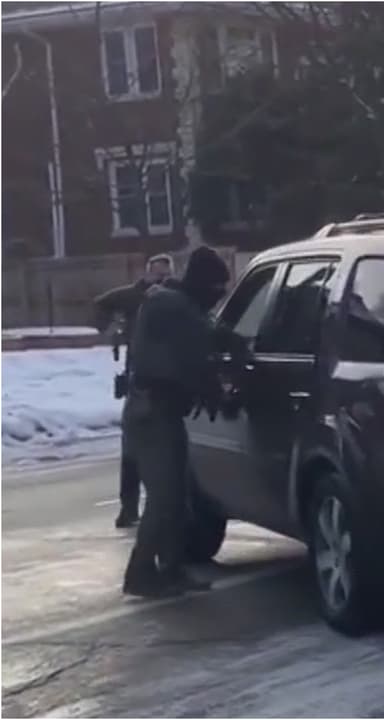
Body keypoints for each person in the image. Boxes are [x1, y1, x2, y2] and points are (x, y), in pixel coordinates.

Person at [122, 247, 229, 598]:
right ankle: (140, 573)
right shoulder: (172, 306)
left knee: (177, 496)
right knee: (164, 498)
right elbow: (196, 351)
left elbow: (205, 335)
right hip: (152, 413)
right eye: (216, 288)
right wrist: (215, 391)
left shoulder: (179, 305)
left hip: (162, 412)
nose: (218, 296)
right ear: (201, 283)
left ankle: (172, 569)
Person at [92, 253, 175, 528]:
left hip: (167, 382)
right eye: (157, 274)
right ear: (148, 273)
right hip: (138, 381)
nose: (160, 280)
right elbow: (102, 304)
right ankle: (129, 507)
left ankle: (161, 505)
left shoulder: (174, 298)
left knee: (165, 448)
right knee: (133, 449)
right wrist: (109, 328)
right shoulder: (133, 296)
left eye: (165, 275)